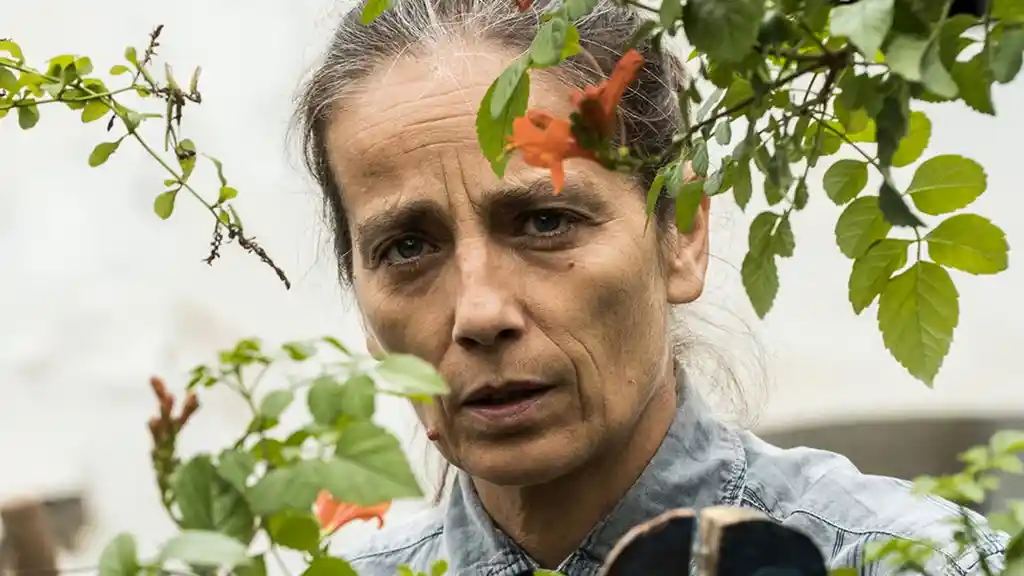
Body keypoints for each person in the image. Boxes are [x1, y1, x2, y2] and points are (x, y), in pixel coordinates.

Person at [293, 0, 1009, 573]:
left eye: (546, 222)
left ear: (682, 234)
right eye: (407, 247)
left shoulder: (912, 563)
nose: (480, 313)